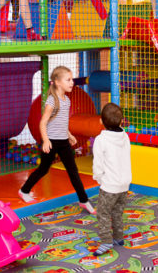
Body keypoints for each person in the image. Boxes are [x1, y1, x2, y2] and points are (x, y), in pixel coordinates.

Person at [18, 66, 95, 214]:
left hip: (63, 141)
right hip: (51, 141)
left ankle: (84, 200)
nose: (72, 82)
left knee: (73, 171)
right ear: (58, 82)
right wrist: (46, 140)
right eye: (68, 80)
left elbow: (62, 122)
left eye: (71, 79)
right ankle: (24, 190)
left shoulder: (66, 100)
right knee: (43, 169)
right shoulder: (52, 101)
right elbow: (43, 123)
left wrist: (69, 135)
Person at [92, 103, 131, 256]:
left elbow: (98, 163)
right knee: (117, 211)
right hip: (124, 183)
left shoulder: (101, 140)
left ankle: (106, 241)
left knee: (103, 212)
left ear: (101, 121)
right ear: (121, 121)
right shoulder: (125, 136)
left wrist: (99, 178)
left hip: (110, 185)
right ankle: (118, 237)